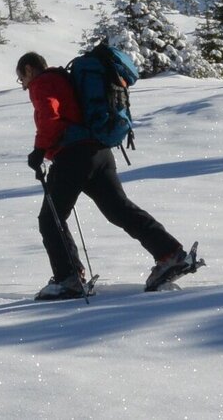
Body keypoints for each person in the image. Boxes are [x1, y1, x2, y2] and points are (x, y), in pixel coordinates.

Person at [16, 52, 189, 299]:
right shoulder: (65, 78)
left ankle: (69, 279)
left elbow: (50, 116)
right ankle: (170, 254)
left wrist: (39, 150)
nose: (23, 85)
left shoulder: (42, 83)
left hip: (73, 156)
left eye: (21, 78)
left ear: (30, 69)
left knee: (50, 218)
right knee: (119, 209)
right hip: (100, 153)